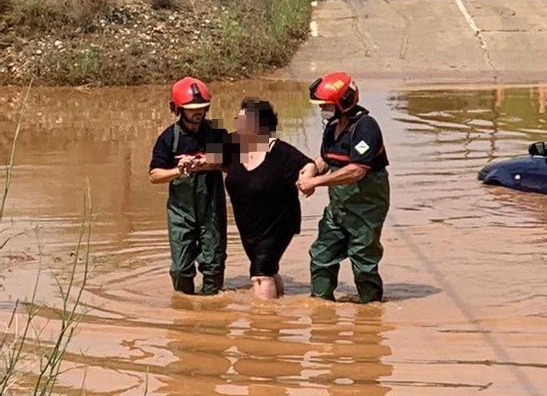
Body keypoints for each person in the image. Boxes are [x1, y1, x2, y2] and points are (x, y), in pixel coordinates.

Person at [298, 72, 391, 303]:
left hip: (366, 208)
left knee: (364, 262)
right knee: (321, 255)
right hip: (338, 207)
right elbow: (327, 159)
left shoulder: (366, 127)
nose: (323, 110)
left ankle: (370, 315)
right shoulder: (332, 127)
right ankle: (320, 308)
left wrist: (316, 182)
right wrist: (311, 168)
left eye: (327, 105)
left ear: (344, 101)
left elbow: (356, 170)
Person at [224, 98, 318, 300]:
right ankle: (277, 312)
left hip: (278, 224)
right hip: (249, 224)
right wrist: (192, 162)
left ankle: (263, 324)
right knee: (268, 268)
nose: (237, 126)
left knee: (260, 272)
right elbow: (208, 159)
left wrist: (306, 178)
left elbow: (308, 165)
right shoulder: (234, 147)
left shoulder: (281, 152)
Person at [148, 77, 229, 295]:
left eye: (202, 108)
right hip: (180, 213)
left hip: (211, 209)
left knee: (213, 265)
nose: (198, 113)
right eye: (192, 109)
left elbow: (236, 167)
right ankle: (184, 310)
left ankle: (213, 312)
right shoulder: (168, 138)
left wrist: (210, 164)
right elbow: (154, 175)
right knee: (181, 268)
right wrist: (179, 170)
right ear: (178, 109)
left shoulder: (216, 133)